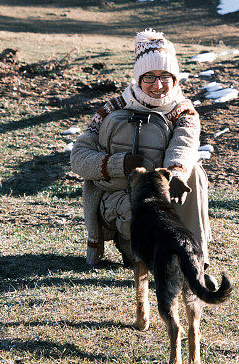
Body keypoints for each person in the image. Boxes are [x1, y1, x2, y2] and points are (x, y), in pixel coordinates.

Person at [70, 29, 210, 266]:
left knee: (194, 172)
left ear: (175, 79)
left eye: (165, 76)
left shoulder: (183, 111)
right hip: (117, 197)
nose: (158, 85)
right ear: (138, 78)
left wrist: (175, 174)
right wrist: (117, 164)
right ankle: (136, 251)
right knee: (140, 223)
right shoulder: (112, 109)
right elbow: (79, 155)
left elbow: (184, 143)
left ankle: (194, 262)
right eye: (149, 77)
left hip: (163, 196)